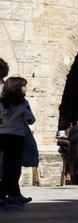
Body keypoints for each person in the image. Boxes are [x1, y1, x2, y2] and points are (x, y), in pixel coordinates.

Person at [0, 77, 35, 205]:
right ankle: (13, 193)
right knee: (14, 166)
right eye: (24, 86)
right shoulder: (23, 103)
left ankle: (5, 192)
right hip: (16, 136)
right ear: (18, 88)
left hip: (2, 135)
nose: (26, 88)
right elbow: (30, 119)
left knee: (5, 165)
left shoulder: (1, 102)